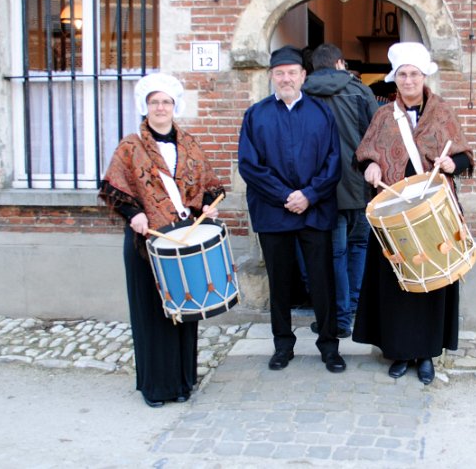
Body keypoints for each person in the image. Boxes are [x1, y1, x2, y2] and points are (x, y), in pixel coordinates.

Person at [99, 73, 225, 408]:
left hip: (183, 237)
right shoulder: (130, 147)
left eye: (166, 102)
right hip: (147, 239)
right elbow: (114, 188)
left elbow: (208, 185)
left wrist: (207, 207)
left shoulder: (189, 144)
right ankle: (156, 388)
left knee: (184, 308)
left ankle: (183, 382)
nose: (160, 107)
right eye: (154, 102)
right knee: (152, 313)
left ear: (174, 106)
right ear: (146, 106)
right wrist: (132, 215)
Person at [353, 42, 474, 385]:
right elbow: (361, 155)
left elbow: (465, 157)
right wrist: (371, 167)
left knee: (432, 283)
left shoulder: (443, 113)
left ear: (424, 77)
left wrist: (452, 163)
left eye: (414, 74)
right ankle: (399, 351)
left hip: (433, 211)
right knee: (396, 284)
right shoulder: (382, 116)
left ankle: (426, 355)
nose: (408, 80)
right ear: (395, 79)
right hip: (394, 213)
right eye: (402, 74)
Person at [238, 45, 346, 374]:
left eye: (292, 73)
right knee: (280, 284)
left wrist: (309, 195)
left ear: (303, 76)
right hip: (273, 213)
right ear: (272, 76)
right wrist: (286, 195)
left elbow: (333, 161)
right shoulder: (256, 115)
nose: (286, 78)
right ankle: (282, 345)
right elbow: (250, 166)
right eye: (280, 73)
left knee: (322, 282)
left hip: (314, 210)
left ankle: (329, 346)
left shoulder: (321, 113)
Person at [302, 43, 380, 338]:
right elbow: (376, 136)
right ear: (340, 63)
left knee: (335, 253)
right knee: (359, 246)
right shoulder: (360, 90)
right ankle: (354, 311)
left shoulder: (302, 93)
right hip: (360, 185)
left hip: (323, 188)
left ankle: (341, 317)